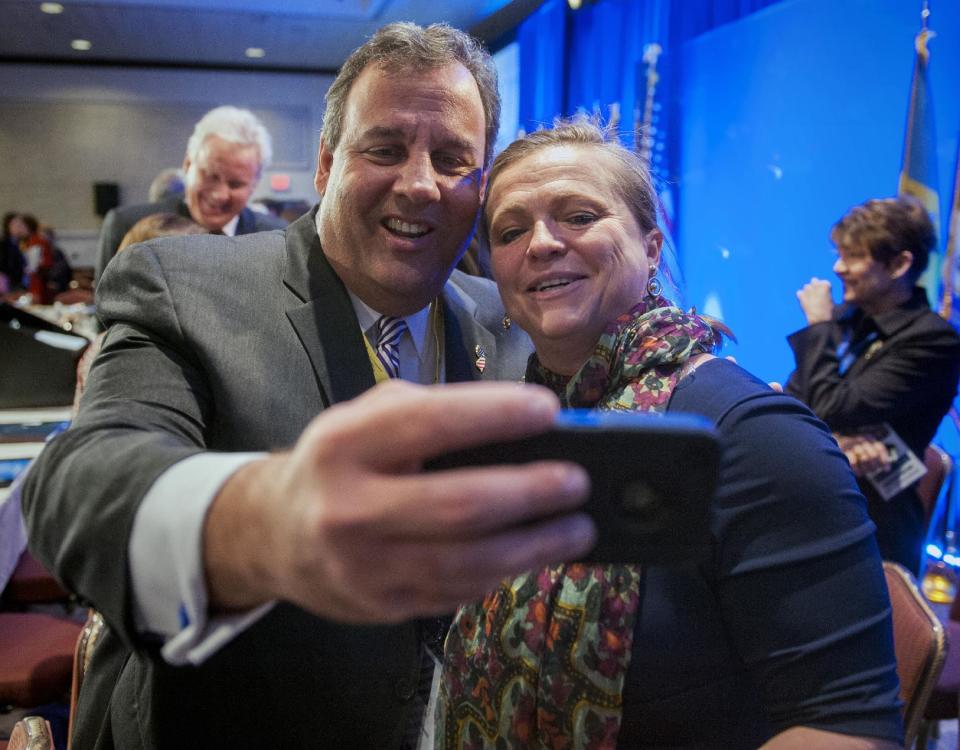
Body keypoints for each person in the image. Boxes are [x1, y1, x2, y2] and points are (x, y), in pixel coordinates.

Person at [22, 23, 596, 750]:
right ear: (326, 164)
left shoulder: (510, 322)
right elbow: (80, 488)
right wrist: (270, 523)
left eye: (452, 159)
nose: (419, 183)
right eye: (384, 149)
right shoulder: (184, 285)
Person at [437, 119, 903, 748]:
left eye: (577, 216)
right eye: (511, 230)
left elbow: (845, 728)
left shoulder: (755, 437)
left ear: (651, 247)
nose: (541, 244)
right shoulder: (523, 420)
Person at [786, 197, 960, 575]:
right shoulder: (852, 317)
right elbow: (798, 404)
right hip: (822, 495)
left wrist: (818, 326)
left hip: (875, 528)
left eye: (853, 256)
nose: (838, 267)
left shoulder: (934, 340)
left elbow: (829, 405)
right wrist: (840, 442)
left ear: (899, 264)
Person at [93, 105, 286, 283]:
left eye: (235, 184)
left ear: (254, 184)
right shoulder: (127, 225)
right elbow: (107, 314)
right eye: (210, 176)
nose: (220, 194)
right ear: (187, 164)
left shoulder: (277, 238)